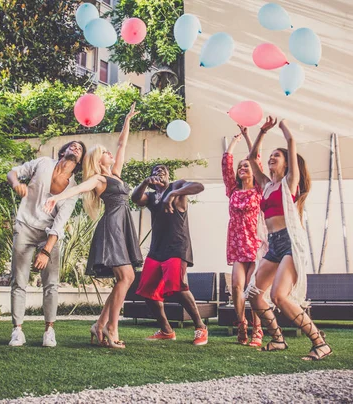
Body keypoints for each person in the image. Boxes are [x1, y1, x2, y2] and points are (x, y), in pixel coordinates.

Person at [44, 103, 142, 349]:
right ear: (98, 161)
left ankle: (99, 325)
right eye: (105, 152)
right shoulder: (99, 179)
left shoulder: (116, 174)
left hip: (122, 228)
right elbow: (77, 189)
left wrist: (127, 120)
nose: (110, 153)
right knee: (126, 276)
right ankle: (111, 327)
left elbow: (122, 145)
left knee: (125, 278)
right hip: (111, 229)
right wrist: (57, 197)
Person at [247, 116, 332, 361]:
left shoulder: (289, 183)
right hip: (273, 245)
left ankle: (319, 342)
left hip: (290, 244)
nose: (272, 158)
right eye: (271, 155)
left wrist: (283, 126)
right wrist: (261, 132)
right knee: (253, 293)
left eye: (277, 155)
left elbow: (292, 140)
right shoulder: (265, 185)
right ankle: (277, 339)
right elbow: (253, 158)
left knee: (279, 296)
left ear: (286, 164)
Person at [7, 140, 86, 347]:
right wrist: (16, 184)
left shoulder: (73, 188)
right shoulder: (43, 163)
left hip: (49, 234)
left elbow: (60, 222)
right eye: (73, 145)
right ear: (64, 150)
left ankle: (49, 331)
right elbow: (13, 172)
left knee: (51, 284)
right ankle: (17, 331)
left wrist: (46, 251)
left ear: (80, 161)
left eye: (80, 148)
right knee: (19, 280)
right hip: (25, 226)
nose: (76, 147)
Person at [131, 164, 209, 346]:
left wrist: (173, 194)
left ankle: (201, 327)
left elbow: (199, 186)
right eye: (156, 171)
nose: (160, 172)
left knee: (178, 287)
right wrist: (144, 182)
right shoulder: (151, 197)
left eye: (164, 170)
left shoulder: (177, 187)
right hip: (157, 249)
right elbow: (136, 198)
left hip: (177, 247)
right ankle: (166, 330)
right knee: (147, 292)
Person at [221, 124, 263, 346]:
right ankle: (241, 324)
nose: (242, 168)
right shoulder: (232, 190)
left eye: (246, 166)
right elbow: (226, 163)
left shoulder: (258, 189)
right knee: (237, 286)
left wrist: (248, 137)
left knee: (252, 288)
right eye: (240, 166)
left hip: (254, 243)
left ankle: (258, 329)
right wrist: (234, 141)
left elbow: (256, 157)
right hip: (237, 245)